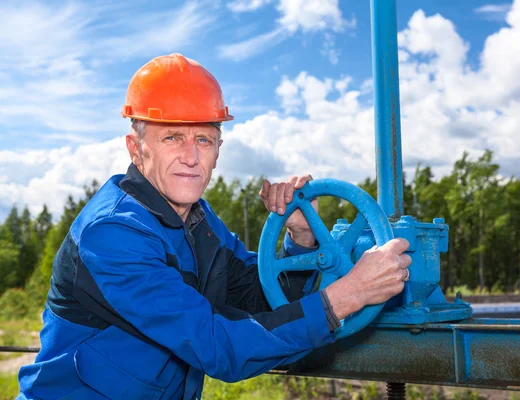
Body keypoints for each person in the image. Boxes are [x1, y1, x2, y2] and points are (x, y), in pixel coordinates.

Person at [17, 53, 411, 400]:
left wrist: (302, 238)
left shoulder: (200, 223)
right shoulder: (113, 234)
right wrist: (349, 295)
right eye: (172, 137)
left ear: (218, 151)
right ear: (137, 150)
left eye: (204, 140)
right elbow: (218, 345)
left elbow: (259, 297)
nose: (191, 157)